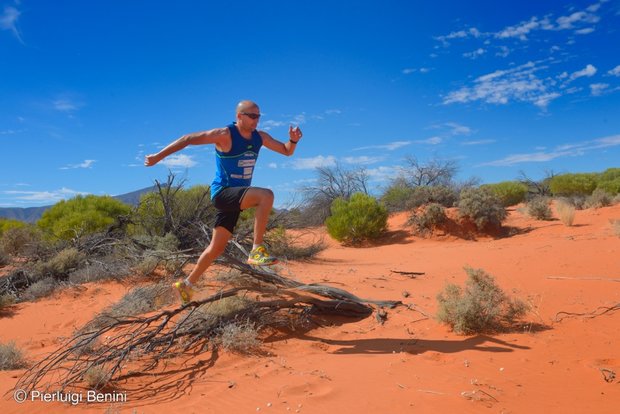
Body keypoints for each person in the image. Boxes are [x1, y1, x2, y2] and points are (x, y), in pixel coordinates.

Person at [144, 100, 303, 304]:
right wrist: (158, 157)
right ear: (239, 116)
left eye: (258, 116)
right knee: (266, 195)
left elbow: (286, 151)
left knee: (216, 248)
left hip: (236, 197)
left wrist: (293, 141)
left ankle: (187, 285)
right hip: (223, 193)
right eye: (252, 116)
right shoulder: (224, 135)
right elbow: (187, 139)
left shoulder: (260, 137)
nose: (256, 120)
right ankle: (257, 249)